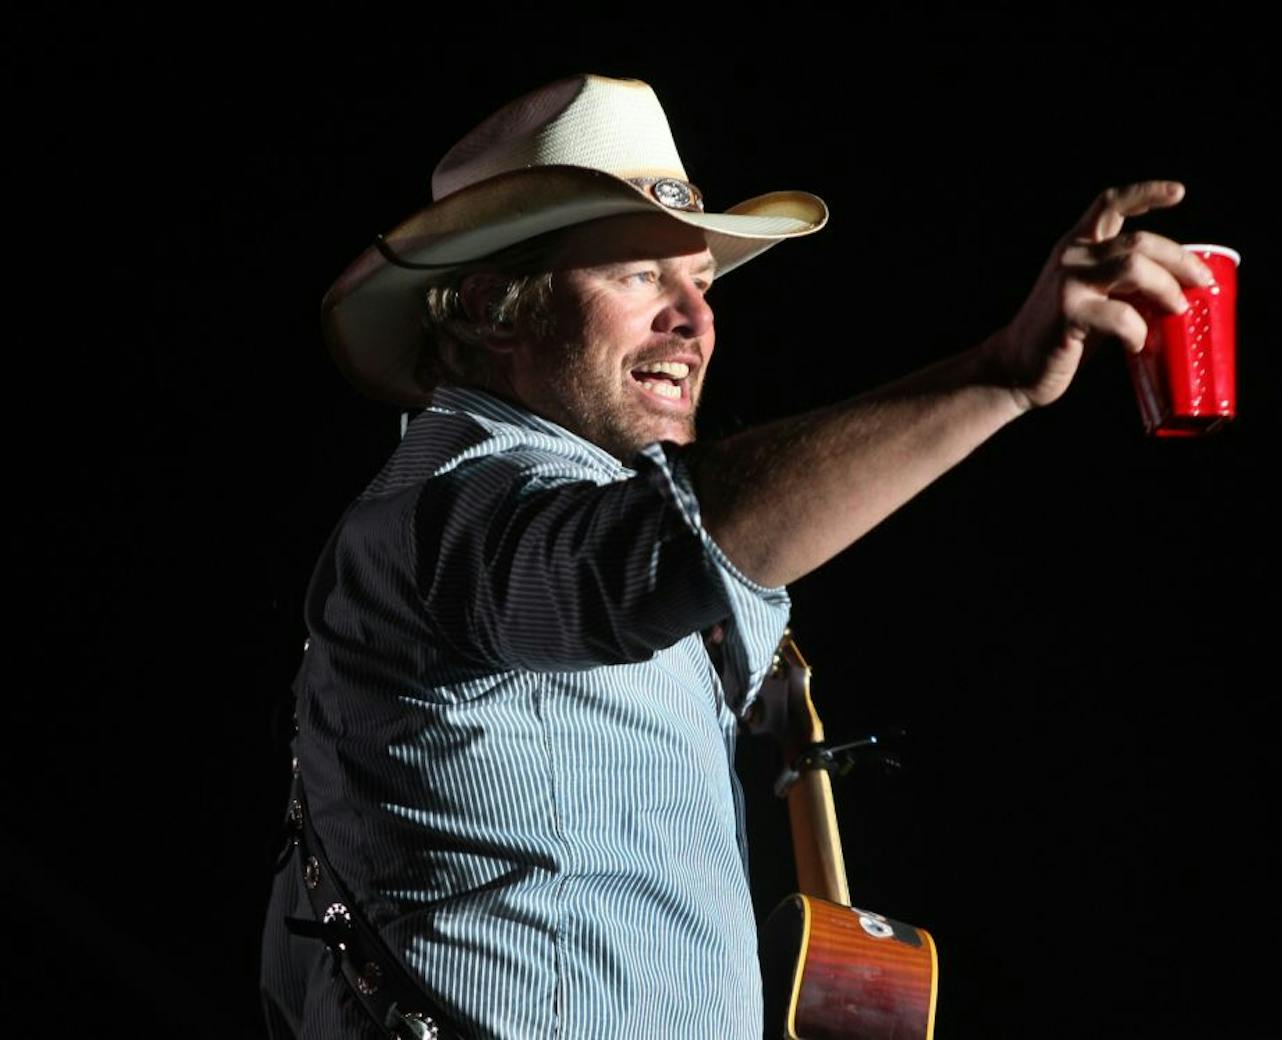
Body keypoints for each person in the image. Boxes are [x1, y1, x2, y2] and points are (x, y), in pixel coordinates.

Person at [260, 74, 1215, 1039]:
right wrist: (999, 375)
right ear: (490, 308)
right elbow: (654, 558)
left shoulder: (550, 513)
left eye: (703, 282)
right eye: (638, 275)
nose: (695, 320)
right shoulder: (451, 508)